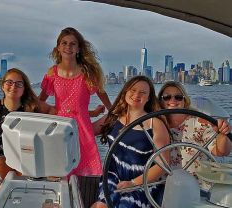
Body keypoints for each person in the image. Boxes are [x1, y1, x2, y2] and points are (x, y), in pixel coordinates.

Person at [39, 27, 112, 177]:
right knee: (60, 172)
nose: (68, 47)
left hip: (82, 129)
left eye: (73, 44)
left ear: (78, 48)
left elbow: (101, 94)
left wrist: (113, 110)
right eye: (64, 43)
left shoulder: (87, 74)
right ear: (58, 47)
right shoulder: (52, 74)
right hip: (60, 129)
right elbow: (40, 102)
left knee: (86, 174)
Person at [0, 68, 54, 198]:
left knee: (30, 188)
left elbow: (54, 113)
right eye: (9, 82)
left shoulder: (33, 106)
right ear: (3, 85)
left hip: (29, 153)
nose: (13, 86)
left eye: (18, 83)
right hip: (2, 153)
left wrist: (45, 132)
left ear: (24, 88)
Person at [91, 76, 170, 208]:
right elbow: (84, 132)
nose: (136, 95)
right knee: (100, 206)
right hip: (112, 177)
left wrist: (134, 183)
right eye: (133, 90)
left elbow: (162, 165)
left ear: (149, 98)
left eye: (143, 92)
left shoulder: (155, 124)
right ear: (126, 91)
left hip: (142, 183)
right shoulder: (112, 118)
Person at [158, 81, 232, 176]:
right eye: (167, 97)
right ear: (160, 101)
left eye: (178, 97)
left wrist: (223, 134)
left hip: (198, 186)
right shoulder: (156, 125)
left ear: (184, 101)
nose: (173, 100)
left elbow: (221, 152)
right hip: (164, 185)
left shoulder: (200, 123)